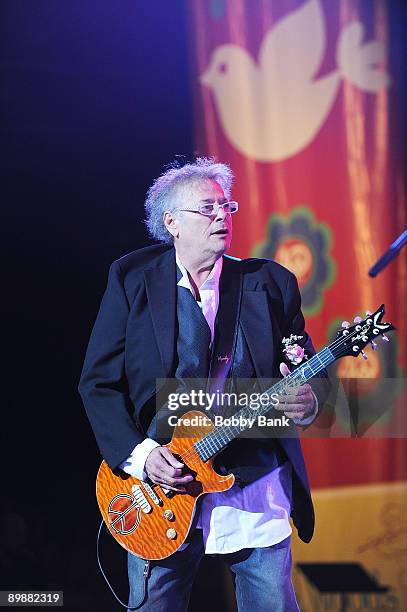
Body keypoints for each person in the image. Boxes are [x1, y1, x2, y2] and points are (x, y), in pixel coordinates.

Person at [79, 158, 330, 611]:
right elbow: (98, 383)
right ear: (171, 222)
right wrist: (143, 456)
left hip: (254, 483)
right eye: (207, 208)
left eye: (227, 206)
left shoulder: (270, 283)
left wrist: (308, 401)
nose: (222, 217)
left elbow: (309, 375)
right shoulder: (132, 278)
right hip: (161, 487)